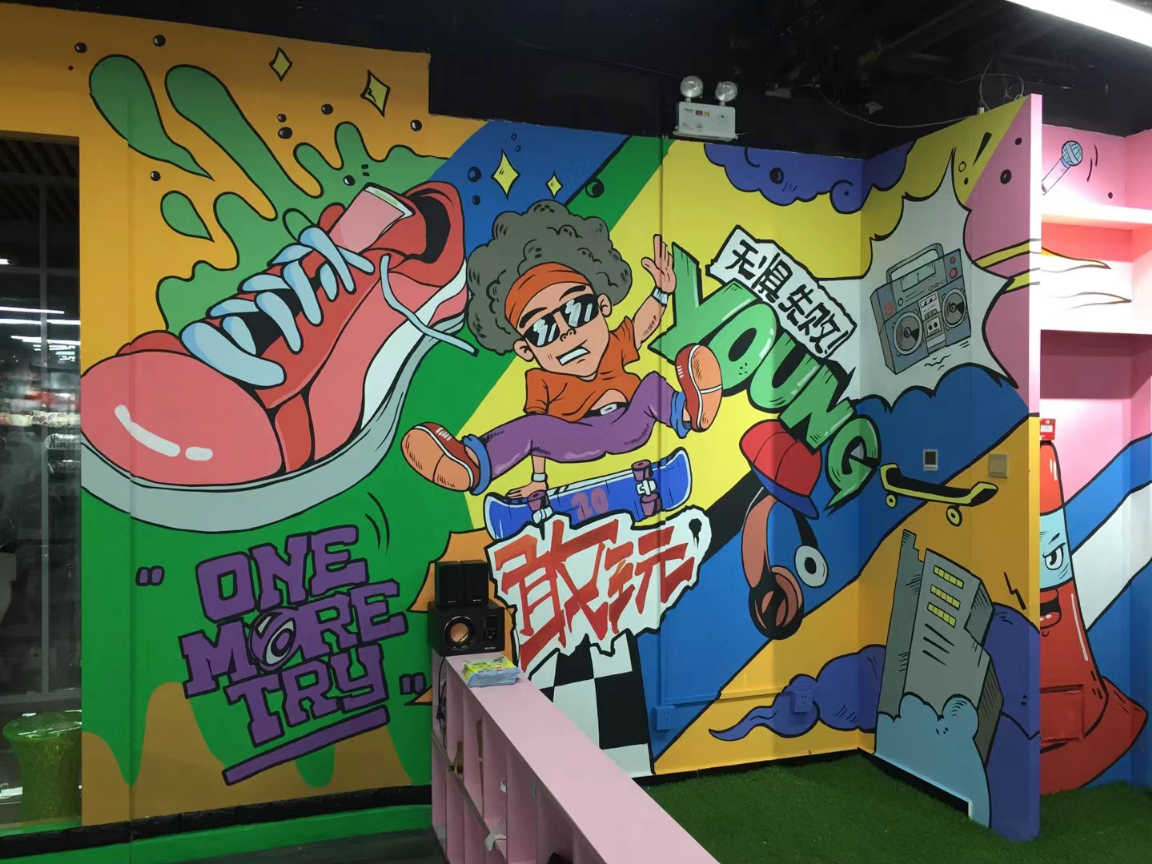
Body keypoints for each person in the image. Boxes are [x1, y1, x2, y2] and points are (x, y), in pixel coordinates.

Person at [401, 200, 722, 497]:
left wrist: (661, 294)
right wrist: (538, 480)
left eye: (577, 310)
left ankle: (689, 412)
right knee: (530, 427)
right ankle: (472, 464)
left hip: (628, 425)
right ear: (525, 350)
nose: (567, 332)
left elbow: (641, 326)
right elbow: (536, 433)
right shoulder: (540, 379)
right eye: (544, 329)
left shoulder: (613, 345)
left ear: (603, 306)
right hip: (576, 437)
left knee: (651, 386)